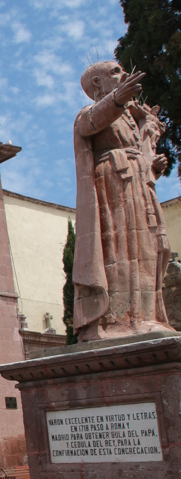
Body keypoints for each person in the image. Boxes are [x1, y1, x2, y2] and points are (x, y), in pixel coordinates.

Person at [73, 61, 173, 341]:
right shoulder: (91, 112)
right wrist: (117, 99)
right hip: (115, 183)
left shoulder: (128, 116)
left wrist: (153, 165)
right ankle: (118, 319)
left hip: (139, 184)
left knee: (147, 249)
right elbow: (89, 123)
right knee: (120, 250)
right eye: (115, 72)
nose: (124, 75)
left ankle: (146, 317)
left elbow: (137, 147)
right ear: (96, 83)